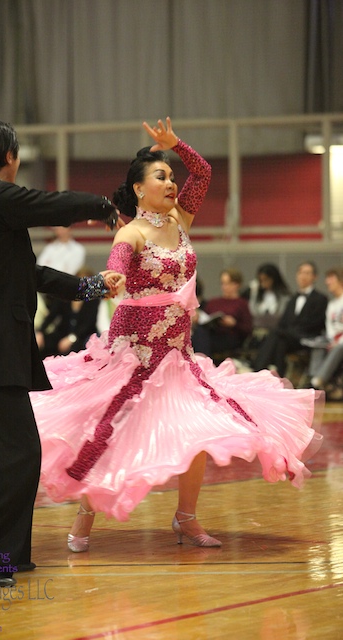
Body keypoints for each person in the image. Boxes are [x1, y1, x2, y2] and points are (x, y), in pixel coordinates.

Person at [30, 117, 323, 555]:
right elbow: (115, 270)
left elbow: (202, 172)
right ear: (138, 189)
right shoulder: (130, 233)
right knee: (109, 433)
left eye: (171, 176)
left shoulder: (181, 219)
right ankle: (85, 514)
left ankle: (186, 518)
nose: (171, 183)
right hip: (135, 355)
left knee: (198, 432)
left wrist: (175, 145)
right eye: (161, 176)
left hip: (178, 355)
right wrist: (107, 279)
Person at [0, 119, 123, 587]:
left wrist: (92, 286)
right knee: (17, 455)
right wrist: (103, 205)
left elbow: (30, 273)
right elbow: (49, 205)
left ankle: (4, 555)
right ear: (8, 156)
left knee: (4, 456)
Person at [252, 261, 328, 377]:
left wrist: (290, 332)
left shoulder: (320, 298)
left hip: (306, 338)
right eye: (301, 273)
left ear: (314, 277)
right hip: (288, 338)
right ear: (297, 276)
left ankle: (258, 370)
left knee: (277, 334)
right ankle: (279, 376)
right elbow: (283, 321)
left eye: (307, 273)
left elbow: (316, 323)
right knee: (280, 341)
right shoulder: (292, 299)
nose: (303, 276)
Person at [36, 267, 101, 358]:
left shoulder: (93, 301)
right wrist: (40, 332)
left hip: (81, 336)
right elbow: (52, 315)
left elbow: (88, 324)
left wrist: (72, 338)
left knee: (77, 346)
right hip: (63, 332)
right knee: (44, 342)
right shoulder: (65, 297)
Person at [191, 267, 252, 360]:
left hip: (229, 336)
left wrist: (234, 324)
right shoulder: (213, 302)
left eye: (228, 283)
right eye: (223, 283)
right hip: (210, 333)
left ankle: (202, 362)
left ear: (237, 285)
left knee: (201, 336)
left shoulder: (242, 304)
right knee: (198, 333)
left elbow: (248, 328)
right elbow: (205, 318)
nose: (224, 287)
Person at [304, 267, 343, 398]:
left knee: (339, 347)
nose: (327, 283)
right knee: (319, 344)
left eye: (331, 280)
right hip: (333, 340)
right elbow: (330, 328)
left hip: (341, 342)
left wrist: (337, 341)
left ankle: (317, 381)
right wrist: (331, 341)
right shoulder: (331, 304)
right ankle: (314, 379)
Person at [242, 263, 291, 348]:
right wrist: (254, 293)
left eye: (266, 280)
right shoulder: (258, 296)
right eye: (261, 280)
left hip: (275, 333)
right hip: (258, 333)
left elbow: (281, 314)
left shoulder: (284, 296)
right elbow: (253, 312)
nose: (264, 283)